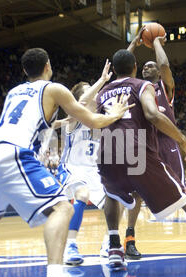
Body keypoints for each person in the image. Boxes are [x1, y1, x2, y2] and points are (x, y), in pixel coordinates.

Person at [0, 48, 133, 277]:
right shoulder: (53, 89)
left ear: (24, 71)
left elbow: (45, 123)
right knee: (63, 208)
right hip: (15, 155)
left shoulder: (14, 92)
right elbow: (90, 119)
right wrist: (114, 114)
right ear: (48, 66)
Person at [96, 48, 186, 273]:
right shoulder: (141, 86)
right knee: (185, 198)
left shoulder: (103, 91)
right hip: (139, 150)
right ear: (135, 68)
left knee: (112, 193)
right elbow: (153, 114)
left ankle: (114, 249)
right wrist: (183, 139)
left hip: (108, 151)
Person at [126, 29, 186, 257]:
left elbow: (164, 67)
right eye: (143, 66)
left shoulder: (165, 87)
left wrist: (157, 43)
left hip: (167, 144)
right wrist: (133, 45)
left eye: (150, 66)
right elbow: (122, 68)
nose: (146, 68)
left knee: (182, 192)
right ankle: (129, 240)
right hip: (143, 144)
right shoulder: (137, 89)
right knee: (136, 194)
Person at [53, 60, 115, 265]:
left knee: (115, 201)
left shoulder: (99, 119)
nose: (95, 96)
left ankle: (109, 243)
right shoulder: (74, 118)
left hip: (92, 171)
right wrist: (102, 80)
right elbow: (80, 104)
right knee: (82, 194)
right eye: (89, 93)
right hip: (71, 168)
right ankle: (70, 245)